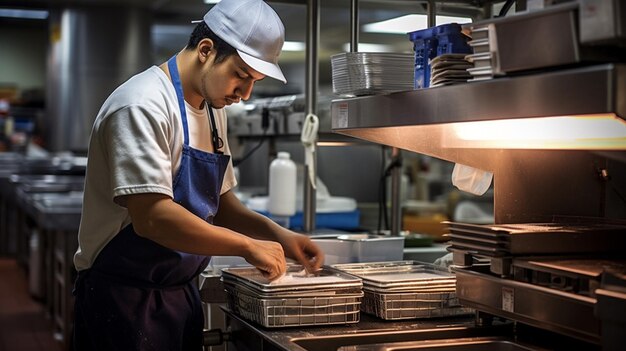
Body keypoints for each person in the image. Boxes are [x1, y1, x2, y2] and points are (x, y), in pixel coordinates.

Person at [72, 0, 324, 350]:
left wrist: (281, 236)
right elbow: (152, 218)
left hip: (178, 294)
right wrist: (247, 246)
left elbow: (219, 204)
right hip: (122, 299)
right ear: (206, 49)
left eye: (254, 81)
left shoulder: (211, 107)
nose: (245, 94)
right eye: (241, 75)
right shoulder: (142, 104)